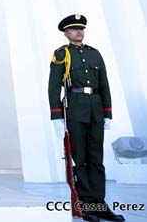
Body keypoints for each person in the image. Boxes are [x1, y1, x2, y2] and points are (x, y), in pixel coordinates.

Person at [48, 14, 124, 222]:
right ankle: (87, 205)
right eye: (74, 29)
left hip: (96, 110)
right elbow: (54, 86)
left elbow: (104, 85)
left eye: (81, 28)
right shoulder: (62, 54)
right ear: (66, 33)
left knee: (96, 160)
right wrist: (56, 117)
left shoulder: (95, 54)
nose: (79, 32)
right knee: (80, 160)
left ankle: (100, 205)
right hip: (74, 110)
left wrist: (107, 113)